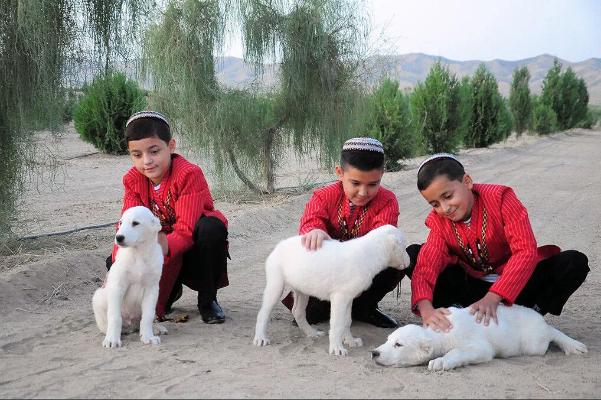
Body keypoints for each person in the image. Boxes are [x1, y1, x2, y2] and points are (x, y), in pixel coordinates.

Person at [405, 153, 590, 332]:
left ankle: (529, 315)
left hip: (516, 287)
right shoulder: (439, 221)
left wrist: (494, 296)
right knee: (413, 255)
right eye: (435, 204)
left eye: (448, 196)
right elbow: (427, 265)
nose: (445, 208)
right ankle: (461, 312)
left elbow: (525, 251)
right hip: (472, 289)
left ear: (467, 182)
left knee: (573, 262)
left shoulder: (500, 198)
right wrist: (426, 309)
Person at [106, 110, 230, 324]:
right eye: (137, 155)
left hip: (191, 249)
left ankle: (207, 300)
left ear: (170, 146)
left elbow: (185, 230)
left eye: (154, 151)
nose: (147, 161)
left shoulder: (188, 174)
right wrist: (118, 261)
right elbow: (128, 225)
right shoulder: (132, 180)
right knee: (116, 260)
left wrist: (158, 248)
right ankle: (168, 292)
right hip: (158, 251)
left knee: (211, 229)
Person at [282, 137, 403, 328]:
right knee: (312, 313)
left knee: (396, 258)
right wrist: (315, 231)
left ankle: (364, 307)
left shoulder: (387, 200)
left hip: (362, 268)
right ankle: (331, 306)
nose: (363, 192)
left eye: (373, 184)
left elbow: (381, 239)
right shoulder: (323, 195)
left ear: (382, 174)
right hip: (329, 272)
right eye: (355, 183)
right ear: (340, 172)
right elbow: (312, 220)